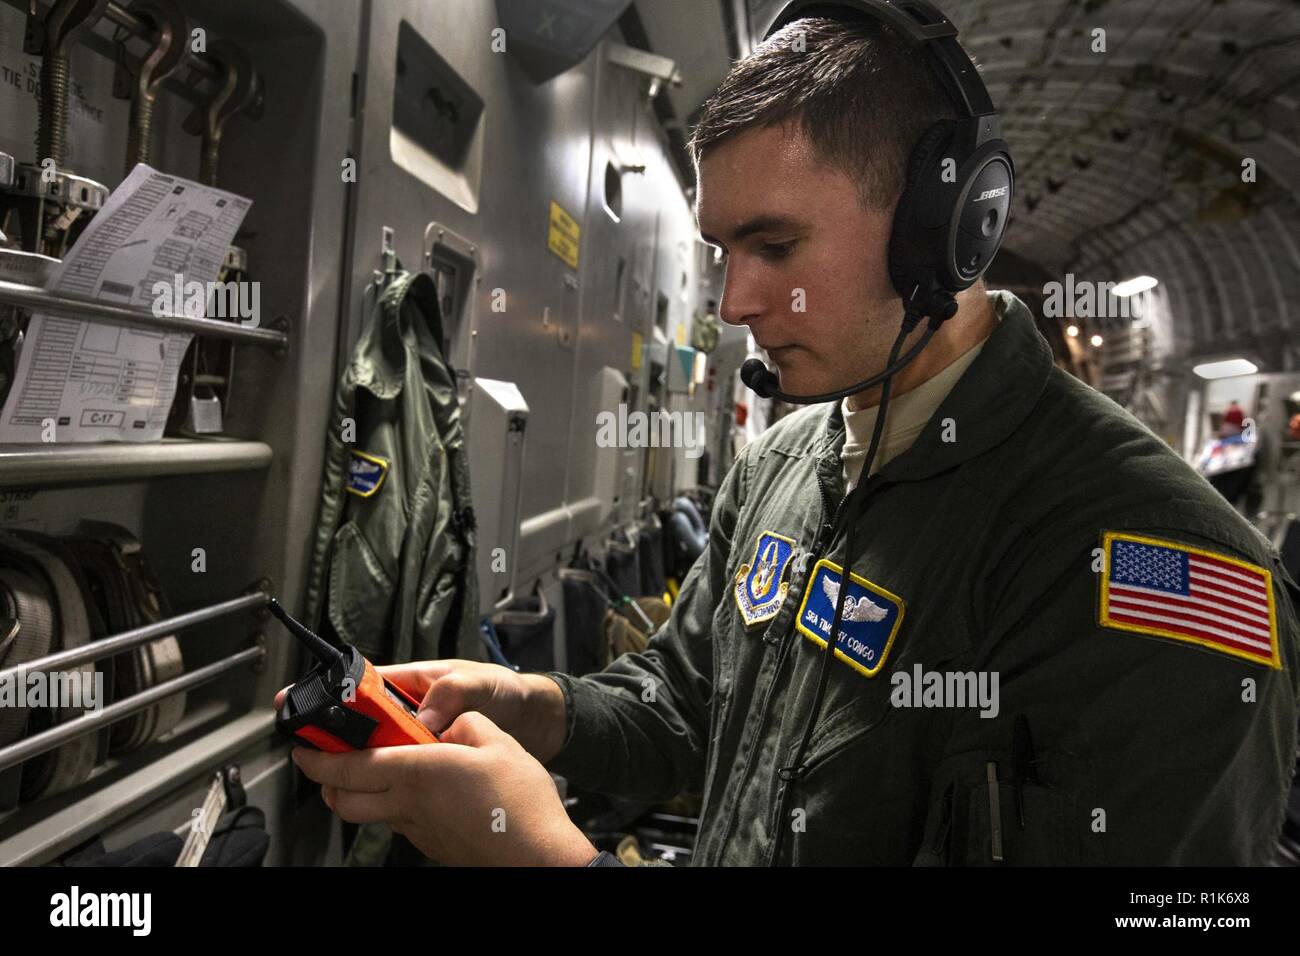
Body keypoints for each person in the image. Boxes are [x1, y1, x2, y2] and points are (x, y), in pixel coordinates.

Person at [285, 10, 1299, 866]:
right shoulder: (779, 468)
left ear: (944, 228)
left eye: (775, 246)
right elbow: (685, 710)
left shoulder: (1159, 570)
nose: (733, 301)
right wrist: (531, 702)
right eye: (723, 251)